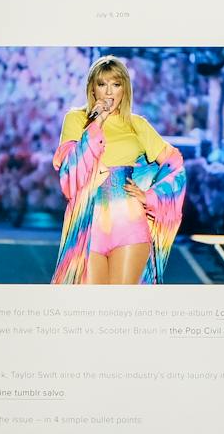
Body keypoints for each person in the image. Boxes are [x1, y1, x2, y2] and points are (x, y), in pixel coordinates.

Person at [51, 56, 186, 285]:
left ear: (125, 89)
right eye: (102, 84)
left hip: (130, 225)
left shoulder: (137, 124)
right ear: (92, 89)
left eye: (116, 84)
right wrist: (97, 123)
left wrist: (150, 196)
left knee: (121, 310)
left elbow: (175, 163)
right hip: (87, 227)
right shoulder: (76, 120)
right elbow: (70, 174)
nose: (109, 92)